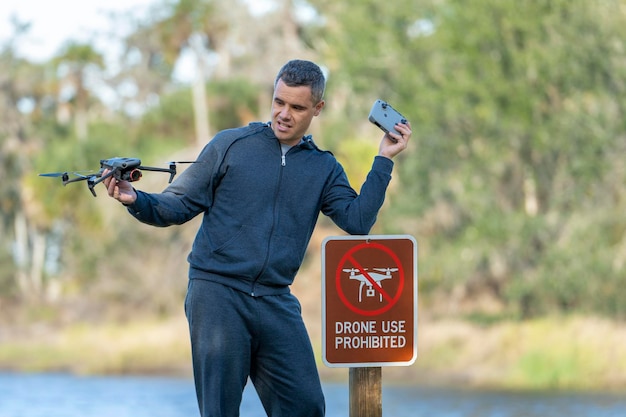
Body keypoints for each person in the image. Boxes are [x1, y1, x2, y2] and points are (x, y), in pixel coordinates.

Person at [104, 59, 411, 417]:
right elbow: (178, 205)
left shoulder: (324, 168)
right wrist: (136, 199)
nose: (284, 114)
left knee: (307, 407)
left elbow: (357, 222)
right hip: (217, 293)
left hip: (275, 299)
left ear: (317, 108)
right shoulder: (230, 145)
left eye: (297, 107)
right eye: (279, 102)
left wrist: (384, 159)